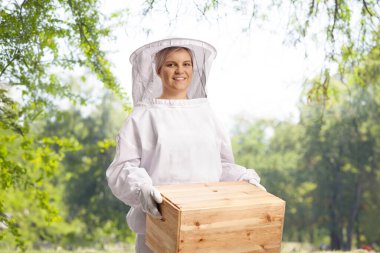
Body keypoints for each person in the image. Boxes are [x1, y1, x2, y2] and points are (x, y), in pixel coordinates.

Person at [106, 38, 265, 253]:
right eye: (171, 64)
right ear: (159, 70)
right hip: (158, 230)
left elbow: (220, 166)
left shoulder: (207, 115)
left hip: (206, 227)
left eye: (186, 64)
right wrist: (142, 188)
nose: (180, 70)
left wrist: (244, 180)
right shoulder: (142, 117)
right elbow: (122, 169)